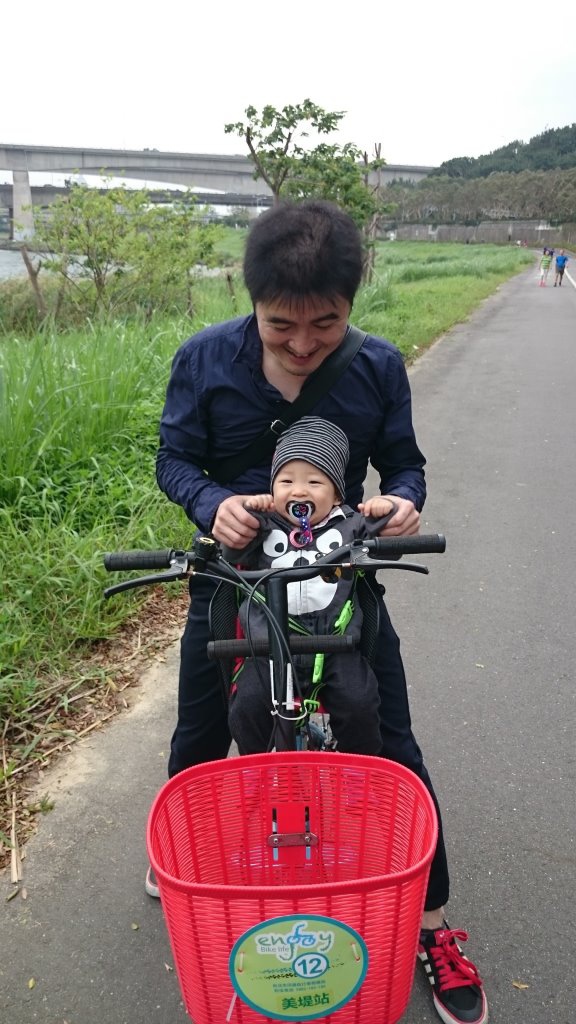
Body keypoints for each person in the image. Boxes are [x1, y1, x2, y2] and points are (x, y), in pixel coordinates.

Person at [155, 199, 488, 1024]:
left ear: (351, 303)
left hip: (340, 588)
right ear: (252, 301)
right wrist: (212, 505)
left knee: (393, 742)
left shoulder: (376, 367)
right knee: (201, 735)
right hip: (232, 586)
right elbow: (174, 458)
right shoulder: (204, 359)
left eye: (326, 325)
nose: (303, 344)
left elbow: (404, 464)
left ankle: (432, 924)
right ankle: (195, 875)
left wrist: (402, 501)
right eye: (281, 327)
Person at [226, 416, 393, 756]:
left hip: (335, 646)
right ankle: (259, 770)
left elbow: (388, 547)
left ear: (336, 495)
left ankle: (356, 772)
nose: (299, 491)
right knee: (247, 707)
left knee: (360, 704)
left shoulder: (350, 525)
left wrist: (382, 515)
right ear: (272, 489)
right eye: (286, 480)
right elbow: (232, 552)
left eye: (314, 482)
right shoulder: (263, 526)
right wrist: (248, 513)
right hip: (268, 647)